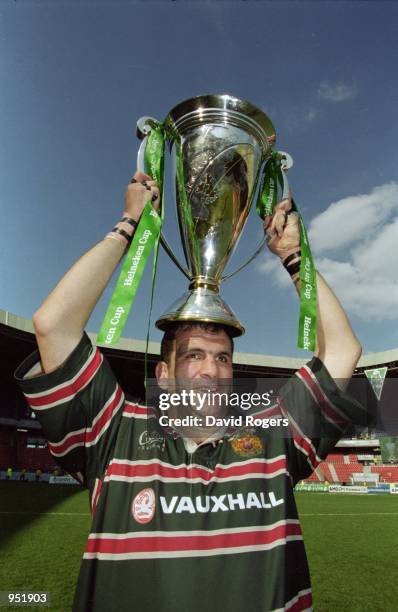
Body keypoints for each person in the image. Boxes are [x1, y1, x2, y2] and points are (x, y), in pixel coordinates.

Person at [15, 171, 364, 612]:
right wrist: (129, 225)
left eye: (221, 359)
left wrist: (295, 257)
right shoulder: (114, 432)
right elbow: (53, 325)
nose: (210, 371)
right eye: (193, 356)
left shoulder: (271, 438)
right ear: (163, 374)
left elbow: (342, 351)